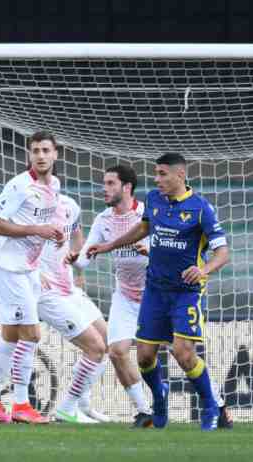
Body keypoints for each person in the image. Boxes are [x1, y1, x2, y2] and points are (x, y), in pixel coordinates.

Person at [87, 153, 230, 431]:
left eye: (163, 174)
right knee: (143, 356)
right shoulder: (153, 199)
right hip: (154, 289)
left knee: (183, 353)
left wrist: (204, 270)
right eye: (156, 174)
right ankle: (160, 399)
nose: (157, 179)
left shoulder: (201, 208)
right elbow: (142, 228)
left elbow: (223, 253)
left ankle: (211, 405)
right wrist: (108, 246)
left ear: (180, 175)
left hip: (185, 292)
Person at [0, 130, 64, 425]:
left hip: (27, 270)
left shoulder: (55, 185)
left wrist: (54, 233)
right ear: (29, 155)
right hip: (7, 269)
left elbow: (42, 223)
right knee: (32, 334)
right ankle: (22, 404)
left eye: (45, 150)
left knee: (12, 336)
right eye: (35, 150)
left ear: (55, 154)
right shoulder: (19, 186)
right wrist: (38, 231)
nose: (40, 156)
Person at [65, 165, 155, 427]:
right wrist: (73, 259)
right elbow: (85, 260)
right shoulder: (103, 219)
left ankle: (214, 403)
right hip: (125, 296)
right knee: (116, 352)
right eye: (104, 183)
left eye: (110, 183)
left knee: (182, 353)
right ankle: (144, 411)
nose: (104, 188)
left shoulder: (147, 214)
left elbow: (165, 249)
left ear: (127, 187)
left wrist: (149, 250)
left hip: (155, 295)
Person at [36, 193, 110, 423]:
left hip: (69, 289)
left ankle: (82, 404)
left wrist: (79, 270)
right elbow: (9, 246)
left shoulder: (70, 205)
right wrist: (33, 272)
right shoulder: (27, 208)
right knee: (95, 347)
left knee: (109, 341)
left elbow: (77, 236)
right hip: (46, 293)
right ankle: (67, 408)